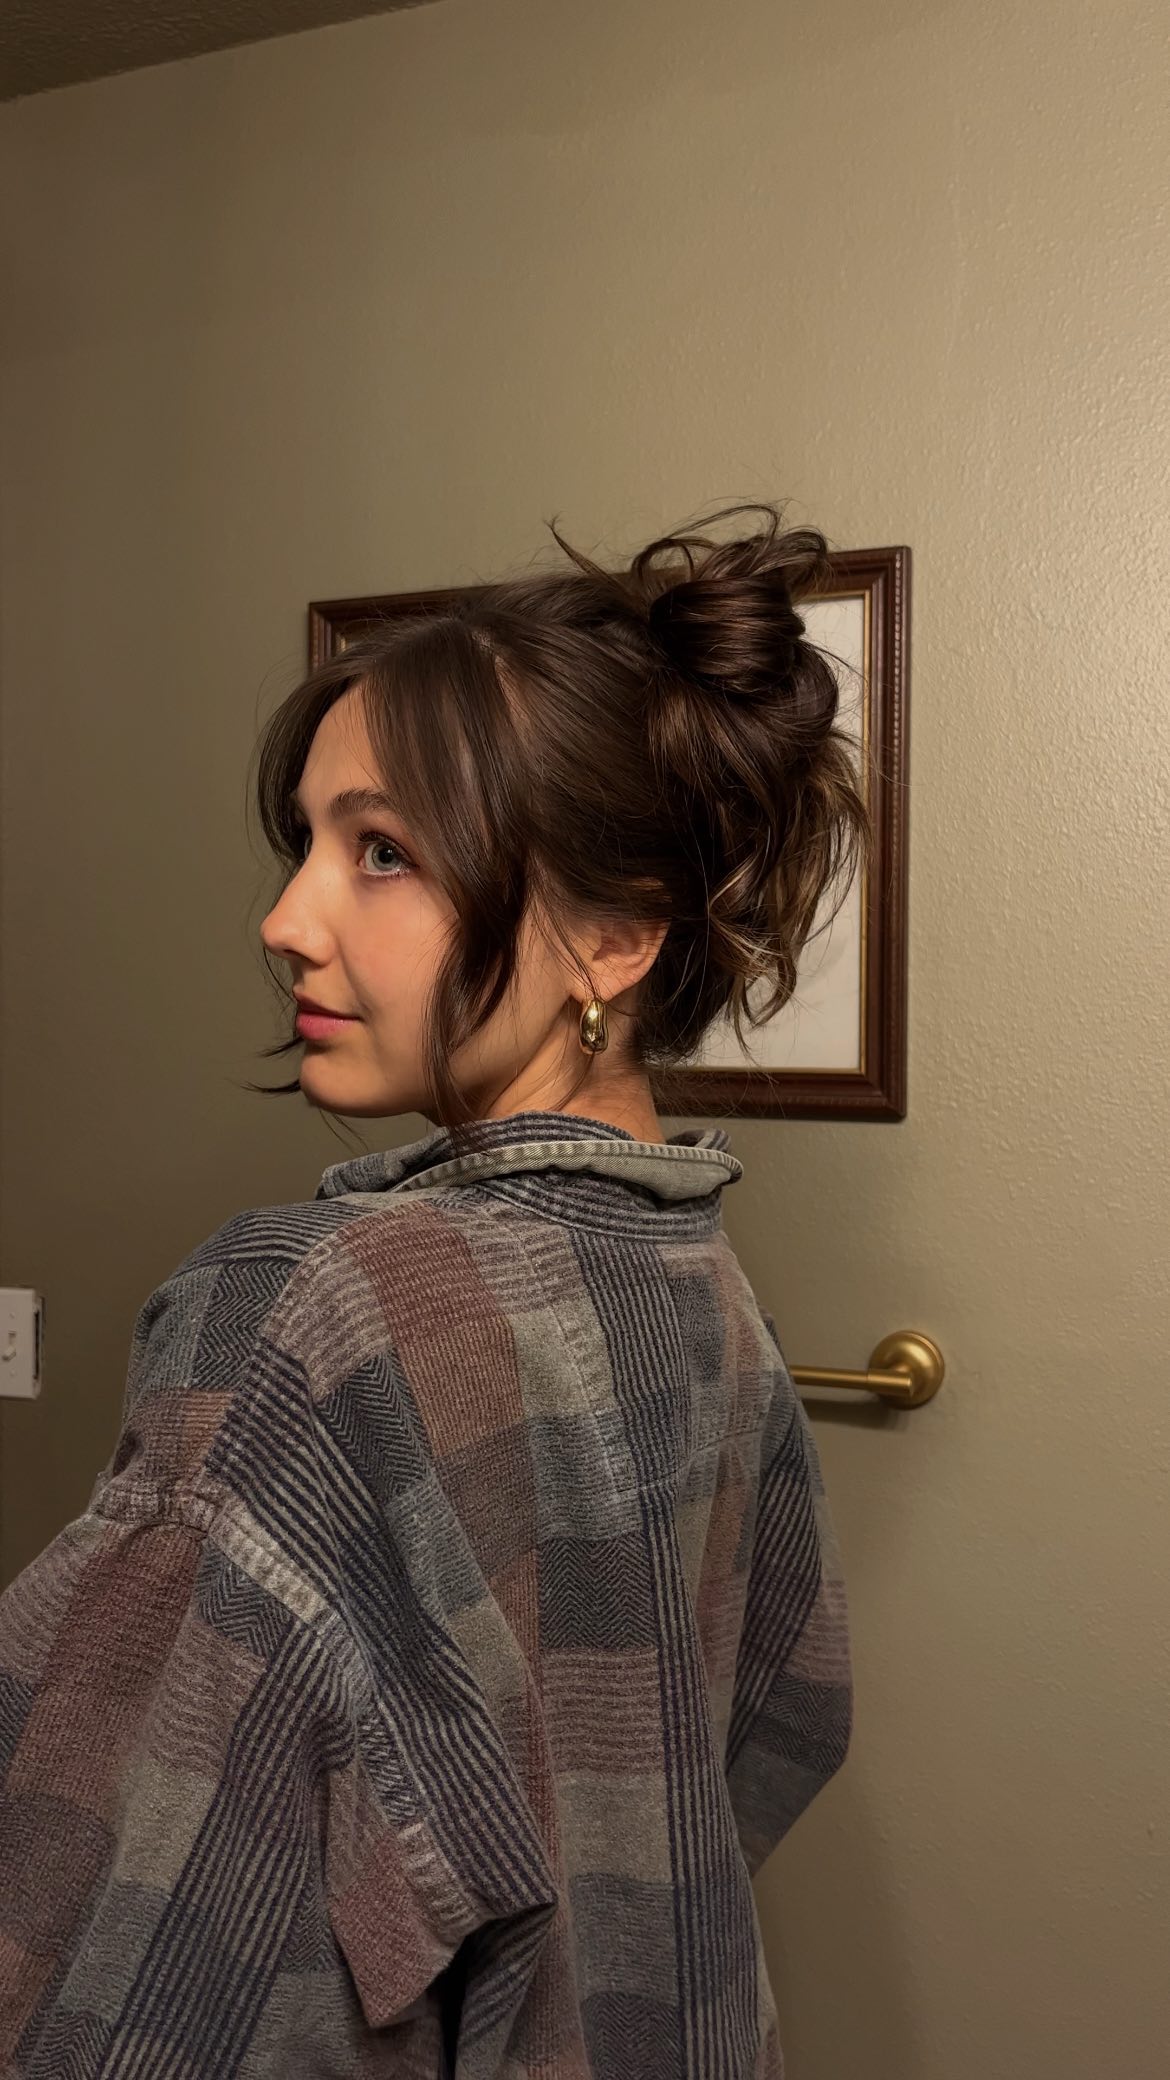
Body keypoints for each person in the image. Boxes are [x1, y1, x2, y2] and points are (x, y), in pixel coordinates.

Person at [0, 501, 871, 2077]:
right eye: (309, 843)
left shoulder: (312, 1312)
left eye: (382, 853)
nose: (286, 919)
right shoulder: (698, 1285)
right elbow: (786, 1720)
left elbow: (98, 1925)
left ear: (611, 936)